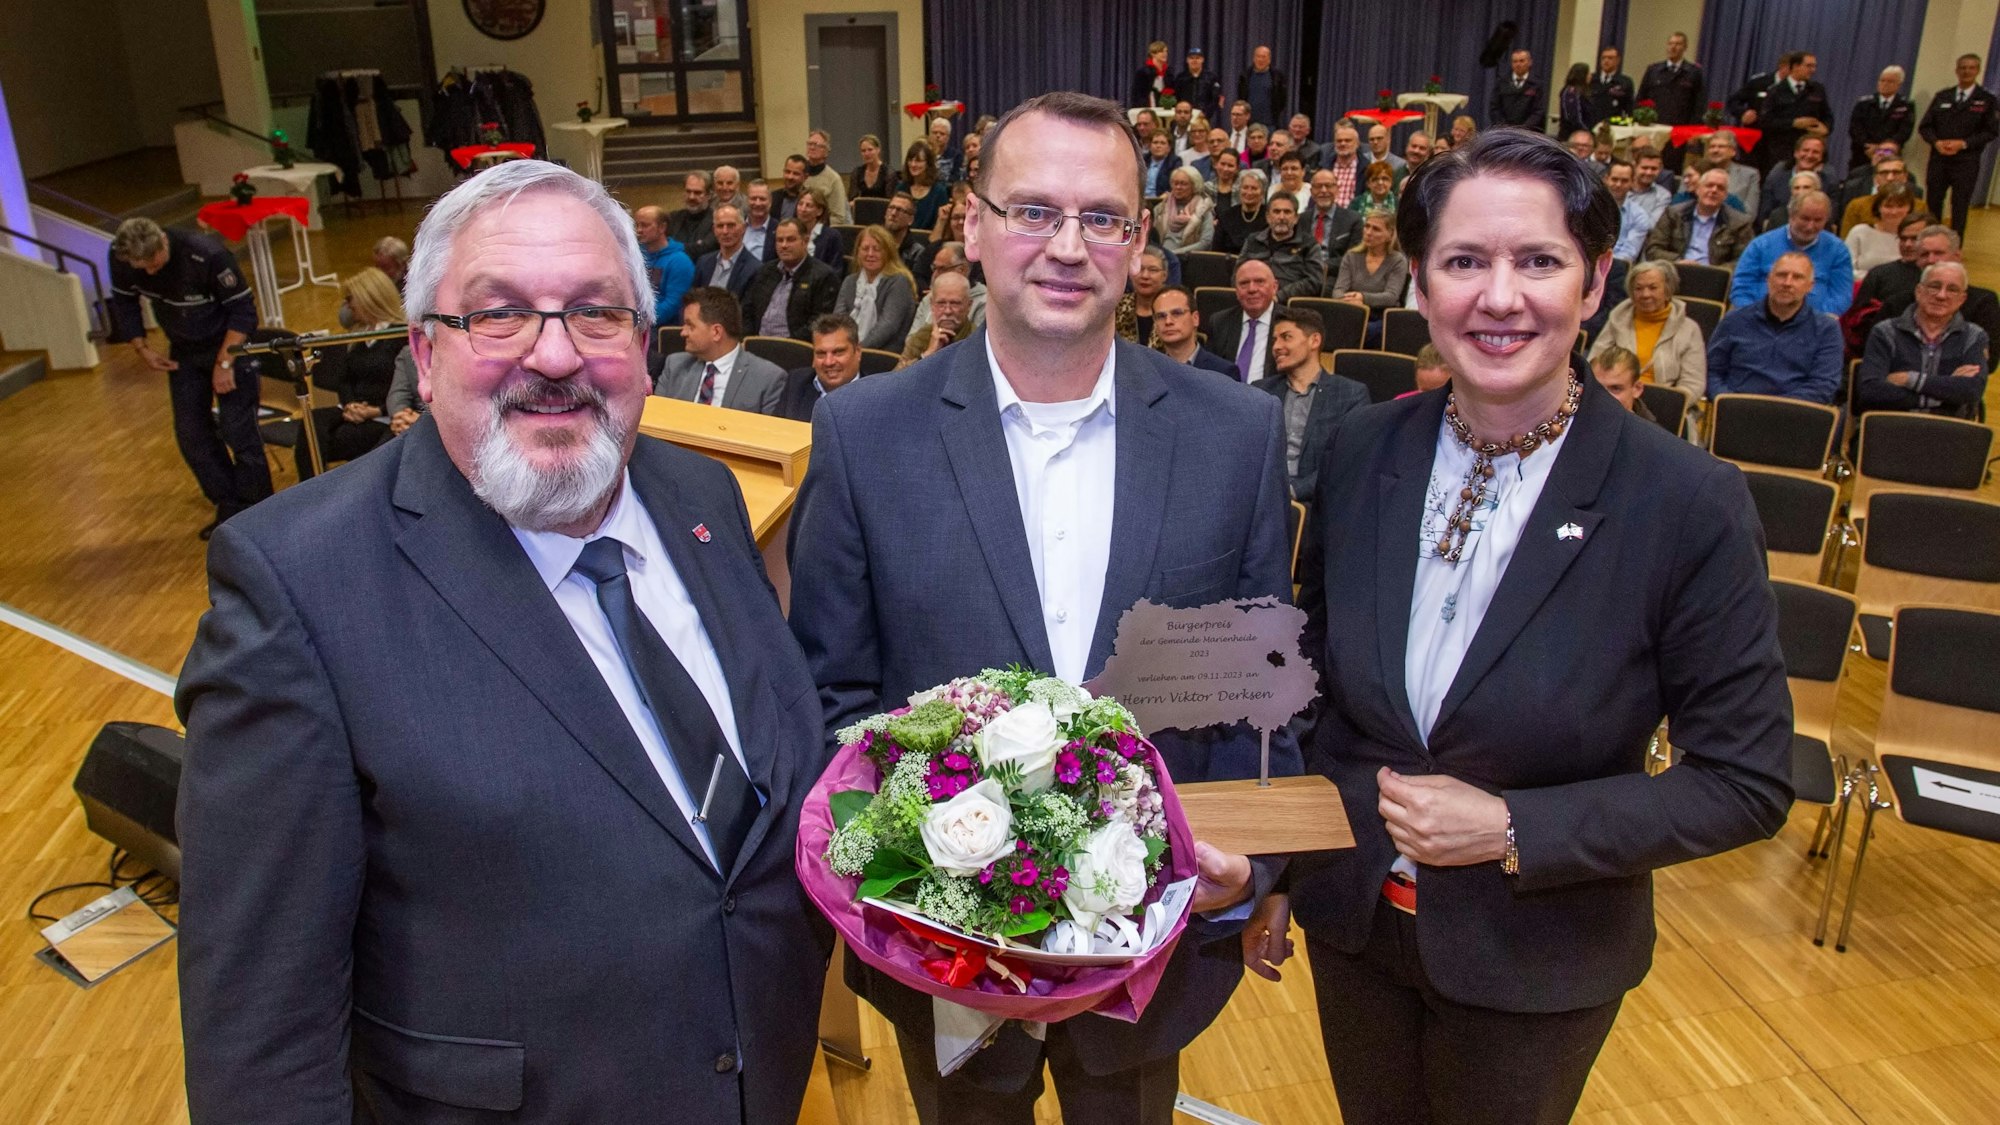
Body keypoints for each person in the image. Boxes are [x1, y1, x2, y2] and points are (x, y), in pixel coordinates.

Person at [175, 158, 831, 1124]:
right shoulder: (296, 587)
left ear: (645, 346)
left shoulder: (704, 498)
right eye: (499, 314)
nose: (555, 355)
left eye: (596, 313)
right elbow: (261, 1033)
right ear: (425, 350)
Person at [1263, 128, 1792, 1125]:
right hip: (1352, 926)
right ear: (1418, 284)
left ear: (1593, 283)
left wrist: (1511, 828)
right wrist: (1284, 871)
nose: (1497, 297)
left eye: (1536, 262)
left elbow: (1745, 782)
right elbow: (1312, 689)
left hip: (1537, 959)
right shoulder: (1364, 447)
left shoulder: (1685, 501)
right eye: (1463, 262)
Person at [788, 91, 1293, 1125]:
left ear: (1139, 242)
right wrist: (892, 886)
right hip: (940, 953)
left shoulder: (1232, 434)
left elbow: (1260, 698)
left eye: (1100, 217)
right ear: (970, 226)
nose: (1066, 246)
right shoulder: (863, 435)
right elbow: (830, 694)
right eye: (1031, 211)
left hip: (1151, 945)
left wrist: (1262, 867)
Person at [107, 216, 269, 538]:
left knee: (239, 430)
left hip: (229, 346)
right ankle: (229, 506)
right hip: (184, 350)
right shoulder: (122, 257)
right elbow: (125, 302)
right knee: (191, 434)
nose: (151, 273)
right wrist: (142, 347)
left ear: (163, 243)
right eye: (142, 269)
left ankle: (260, 508)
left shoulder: (207, 255)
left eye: (154, 264)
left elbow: (243, 312)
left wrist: (224, 364)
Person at [295, 267, 406, 480]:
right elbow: (344, 379)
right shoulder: (358, 336)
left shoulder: (400, 336)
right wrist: (350, 404)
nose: (347, 306)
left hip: (384, 414)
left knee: (342, 439)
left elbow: (403, 387)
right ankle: (309, 487)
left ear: (368, 298)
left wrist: (375, 410)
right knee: (311, 424)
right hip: (355, 408)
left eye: (350, 299)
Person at [1254, 305, 1370, 501]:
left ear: (1314, 340)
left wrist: (1292, 491)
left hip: (1318, 504)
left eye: (1286, 337)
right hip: (1261, 499)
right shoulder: (1261, 391)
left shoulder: (1350, 395)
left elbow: (1347, 461)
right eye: (1274, 340)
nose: (1276, 347)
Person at [1855, 261, 1991, 417]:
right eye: (1934, 286)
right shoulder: (1885, 331)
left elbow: (1972, 390)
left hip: (1949, 430)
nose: (1941, 295)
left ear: (1962, 299)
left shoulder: (1974, 336)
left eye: (1952, 290)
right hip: (1892, 425)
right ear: (1919, 291)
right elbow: (1870, 391)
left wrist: (1909, 379)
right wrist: (1946, 393)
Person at [1708, 251, 1844, 402]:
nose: (1787, 283)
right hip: (1735, 410)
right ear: (1768, 280)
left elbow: (1823, 385)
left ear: (1810, 286)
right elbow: (1712, 371)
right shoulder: (1734, 320)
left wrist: (1775, 409)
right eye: (1781, 275)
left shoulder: (1827, 329)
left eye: (1797, 277)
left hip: (1794, 416)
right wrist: (1728, 402)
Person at [1589, 259, 1707, 412]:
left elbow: (1694, 383)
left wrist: (1667, 404)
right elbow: (1594, 363)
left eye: (1653, 288)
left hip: (1666, 409)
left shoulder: (1689, 329)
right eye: (1638, 288)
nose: (1645, 294)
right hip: (1616, 403)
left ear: (1667, 290)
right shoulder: (1617, 319)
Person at [656, 286, 787, 413]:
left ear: (716, 332)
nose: (683, 332)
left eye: (690, 325)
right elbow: (655, 420)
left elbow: (769, 433)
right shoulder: (675, 365)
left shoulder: (768, 378)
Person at [1730, 191, 1853, 314]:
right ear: (1791, 216)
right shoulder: (1761, 245)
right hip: (1759, 320)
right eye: (1805, 219)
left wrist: (1815, 321)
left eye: (1818, 220)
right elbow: (1741, 288)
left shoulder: (1838, 250)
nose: (1810, 226)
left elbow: (1841, 296)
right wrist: (1756, 317)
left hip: (1814, 326)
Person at [1919, 53, 2000, 236]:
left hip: (1966, 162)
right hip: (1939, 159)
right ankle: (1931, 240)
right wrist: (1936, 142)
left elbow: (1991, 132)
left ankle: (1954, 248)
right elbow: (1925, 126)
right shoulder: (1943, 96)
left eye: (1971, 68)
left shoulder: (1987, 99)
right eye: (1963, 68)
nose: (1966, 71)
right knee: (1933, 202)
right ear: (1957, 70)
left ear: (1978, 71)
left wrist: (1963, 143)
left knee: (1960, 205)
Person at [744, 218, 841, 341]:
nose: (784, 245)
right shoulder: (765, 271)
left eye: (790, 240)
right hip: (756, 344)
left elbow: (819, 323)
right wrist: (748, 339)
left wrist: (789, 346)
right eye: (780, 240)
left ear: (805, 241)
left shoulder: (823, 276)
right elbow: (747, 310)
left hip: (795, 349)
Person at [1642, 167, 1753, 265]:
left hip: (1715, 278)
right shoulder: (1673, 213)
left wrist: (1716, 272)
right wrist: (1677, 261)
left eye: (1720, 188)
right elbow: (1653, 249)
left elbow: (1743, 260)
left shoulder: (1739, 223)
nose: (1714, 190)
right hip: (1675, 271)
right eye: (1709, 185)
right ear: (1698, 190)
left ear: (1725, 196)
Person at [833, 224, 917, 351]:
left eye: (877, 249)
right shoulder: (850, 281)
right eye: (865, 249)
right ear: (857, 252)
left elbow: (888, 326)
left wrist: (857, 350)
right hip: (849, 351)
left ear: (888, 252)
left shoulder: (899, 282)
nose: (870, 254)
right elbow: (838, 319)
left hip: (883, 354)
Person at [1333, 210, 1409, 341]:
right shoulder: (1351, 256)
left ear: (1390, 235)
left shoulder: (1398, 261)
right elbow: (1338, 290)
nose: (1368, 232)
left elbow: (1391, 297)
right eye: (1367, 226)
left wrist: (1362, 298)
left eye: (1376, 229)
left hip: (1382, 316)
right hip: (1352, 311)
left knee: (1365, 331)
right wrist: (1351, 301)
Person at [1238, 193, 1327, 305]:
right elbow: (1238, 273)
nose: (1281, 217)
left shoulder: (1309, 244)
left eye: (1287, 212)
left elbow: (1314, 281)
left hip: (1289, 306)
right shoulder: (1253, 240)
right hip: (1253, 301)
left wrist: (1279, 296)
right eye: (1276, 212)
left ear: (1296, 218)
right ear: (1268, 217)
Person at [1205, 257, 1281, 381]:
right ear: (1236, 290)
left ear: (1274, 287)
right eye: (1244, 283)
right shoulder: (1220, 322)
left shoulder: (1290, 322)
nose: (1252, 289)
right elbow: (1210, 369)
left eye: (1259, 281)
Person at [780, 313, 865, 421]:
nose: (829, 362)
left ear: (857, 351)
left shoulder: (878, 396)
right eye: (821, 354)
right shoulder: (796, 383)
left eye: (838, 352)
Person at [1761, 52, 1834, 175]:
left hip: (1811, 149)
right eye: (1809, 66)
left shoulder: (1817, 89)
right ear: (1795, 66)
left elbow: (1827, 115)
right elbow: (1765, 121)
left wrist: (1826, 128)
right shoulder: (1775, 91)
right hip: (1782, 149)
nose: (1813, 70)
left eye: (1814, 66)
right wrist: (1793, 123)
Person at [1150, 284, 1238, 376]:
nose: (1168, 321)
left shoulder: (1223, 371)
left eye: (1176, 313)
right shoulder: (1147, 371)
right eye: (1161, 316)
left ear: (1195, 318)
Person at [898, 269, 978, 366]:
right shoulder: (921, 337)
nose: (947, 311)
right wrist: (927, 355)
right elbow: (898, 377)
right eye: (941, 303)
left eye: (955, 303)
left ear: (969, 305)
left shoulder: (979, 340)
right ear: (932, 305)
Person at [635, 205, 696, 330]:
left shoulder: (680, 261)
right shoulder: (636, 257)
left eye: (645, 225)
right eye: (637, 225)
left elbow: (673, 304)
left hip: (664, 330)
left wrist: (638, 320)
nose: (639, 230)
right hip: (637, 323)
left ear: (662, 227)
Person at [908, 240, 987, 336]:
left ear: (962, 270)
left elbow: (977, 344)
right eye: (934, 268)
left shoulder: (984, 302)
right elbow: (911, 339)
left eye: (942, 269)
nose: (935, 275)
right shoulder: (929, 298)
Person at [1849, 67, 1917, 173]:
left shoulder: (1906, 105)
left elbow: (1904, 131)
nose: (1884, 84)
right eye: (1882, 80)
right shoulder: (1864, 103)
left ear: (1899, 84)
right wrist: (1867, 145)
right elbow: (1855, 128)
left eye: (1890, 81)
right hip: (1862, 154)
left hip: (1890, 155)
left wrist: (1882, 148)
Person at [692, 202, 759, 305]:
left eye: (731, 225)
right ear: (714, 230)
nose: (725, 231)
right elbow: (692, 301)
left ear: (743, 228)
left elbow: (747, 313)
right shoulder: (703, 262)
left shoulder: (754, 269)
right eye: (720, 226)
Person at [1837, 154, 1920, 234]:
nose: (1890, 178)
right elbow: (1846, 240)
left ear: (1905, 177)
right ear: (1876, 178)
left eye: (1896, 172)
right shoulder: (1857, 206)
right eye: (1884, 173)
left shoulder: (1919, 206)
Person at [1845, 186, 1919, 274]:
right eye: (1888, 206)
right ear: (1878, 208)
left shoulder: (1918, 235)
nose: (1894, 212)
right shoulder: (1859, 232)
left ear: (1909, 208)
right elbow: (1845, 269)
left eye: (1900, 206)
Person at [1638, 32, 1707, 128]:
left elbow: (1699, 104)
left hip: (1681, 127)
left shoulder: (1693, 72)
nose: (1673, 47)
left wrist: (1694, 128)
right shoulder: (1653, 70)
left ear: (1685, 47)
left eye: (1678, 44)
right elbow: (1641, 98)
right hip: (1655, 125)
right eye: (1670, 43)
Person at [1759, 135, 1828, 227]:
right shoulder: (1776, 176)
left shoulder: (1828, 179)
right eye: (1805, 150)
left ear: (1821, 157)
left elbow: (1830, 215)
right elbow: (1765, 214)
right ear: (1796, 153)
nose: (1809, 155)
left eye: (1815, 152)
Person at [1115, 244, 1172, 344]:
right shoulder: (1117, 305)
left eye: (1153, 270)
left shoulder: (1175, 308)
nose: (1145, 276)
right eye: (1140, 269)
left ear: (1164, 276)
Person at [1589, 344, 1659, 423]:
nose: (1603, 397)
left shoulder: (1648, 433)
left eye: (1615, 388)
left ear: (1637, 389)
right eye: (1597, 387)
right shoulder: (1576, 418)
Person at [1153, 167, 1215, 254]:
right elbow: (1151, 238)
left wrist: (1175, 254)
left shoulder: (1204, 209)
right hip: (1161, 258)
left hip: (1189, 259)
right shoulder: (1160, 208)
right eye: (1175, 183)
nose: (1178, 187)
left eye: (1183, 184)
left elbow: (1206, 242)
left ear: (1194, 186)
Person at [1704, 130, 1761, 217]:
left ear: (1733, 151)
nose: (1715, 150)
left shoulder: (1750, 175)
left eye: (1721, 147)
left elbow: (1750, 214)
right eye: (1712, 147)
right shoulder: (1697, 171)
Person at [1213, 167, 1269, 254]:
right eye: (1245, 187)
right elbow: (1216, 251)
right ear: (1239, 189)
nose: (1249, 192)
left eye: (1254, 188)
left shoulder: (1269, 216)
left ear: (1262, 192)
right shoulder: (1227, 216)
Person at [791, 187, 846, 272]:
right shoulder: (791, 233)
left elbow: (835, 271)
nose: (803, 209)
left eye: (808, 205)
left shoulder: (832, 236)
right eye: (800, 204)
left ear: (819, 211)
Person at [1491, 49, 1546, 130]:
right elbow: (1494, 108)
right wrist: (1504, 127)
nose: (1518, 64)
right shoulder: (1501, 82)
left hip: (1529, 132)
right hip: (1504, 131)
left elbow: (1539, 111)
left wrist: (1524, 128)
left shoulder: (1537, 84)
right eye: (1515, 61)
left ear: (1530, 62)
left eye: (1521, 61)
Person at [901, 140, 950, 230]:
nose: (913, 164)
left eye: (918, 161)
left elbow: (942, 225)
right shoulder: (901, 187)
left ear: (928, 164)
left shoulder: (939, 191)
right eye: (910, 160)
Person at [670, 172, 718, 260]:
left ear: (709, 195)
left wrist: (672, 247)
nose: (691, 197)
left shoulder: (717, 220)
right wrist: (695, 246)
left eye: (697, 193)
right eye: (688, 191)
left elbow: (704, 250)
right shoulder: (673, 218)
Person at [1239, 44, 1289, 128]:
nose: (1260, 59)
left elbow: (1282, 100)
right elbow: (1241, 97)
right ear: (1254, 58)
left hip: (1270, 124)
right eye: (1258, 56)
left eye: (1263, 57)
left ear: (1269, 60)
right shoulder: (1245, 76)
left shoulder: (1277, 76)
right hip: (1249, 124)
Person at [1173, 46, 1225, 126]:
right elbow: (1176, 97)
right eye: (1191, 58)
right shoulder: (1181, 78)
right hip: (1185, 117)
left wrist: (1206, 113)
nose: (1194, 60)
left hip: (1204, 117)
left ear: (1202, 60)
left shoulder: (1211, 78)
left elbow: (1215, 99)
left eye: (1197, 58)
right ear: (1187, 60)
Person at [1585, 46, 1635, 129]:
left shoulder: (1624, 82)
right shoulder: (1591, 79)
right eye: (1603, 58)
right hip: (1591, 125)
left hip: (1612, 126)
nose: (1606, 61)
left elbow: (1629, 108)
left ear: (1618, 60)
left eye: (1610, 58)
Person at [1323, 122, 1365, 206]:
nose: (1343, 144)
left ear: (1357, 144)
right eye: (1339, 141)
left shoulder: (1365, 169)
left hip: (1353, 216)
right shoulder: (1324, 167)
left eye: (1348, 140)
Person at [848, 133, 895, 207]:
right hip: (861, 214)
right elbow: (852, 199)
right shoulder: (857, 172)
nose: (866, 153)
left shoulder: (888, 173)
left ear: (878, 150)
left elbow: (890, 201)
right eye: (863, 151)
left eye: (870, 150)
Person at [743, 180, 778, 261]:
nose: (757, 203)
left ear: (770, 201)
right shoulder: (737, 226)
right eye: (753, 198)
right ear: (747, 200)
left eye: (762, 199)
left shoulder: (778, 229)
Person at [1557, 64, 1592, 141]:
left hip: (1582, 134)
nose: (1590, 76)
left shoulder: (1584, 92)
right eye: (1588, 73)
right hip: (1571, 136)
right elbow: (1573, 117)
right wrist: (1587, 132)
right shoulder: (1571, 92)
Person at [1142, 129, 1181, 197]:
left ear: (1169, 148)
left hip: (1162, 201)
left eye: (1162, 143)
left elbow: (1175, 185)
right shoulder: (1143, 160)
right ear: (1149, 146)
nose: (1158, 146)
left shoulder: (1175, 162)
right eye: (1155, 142)